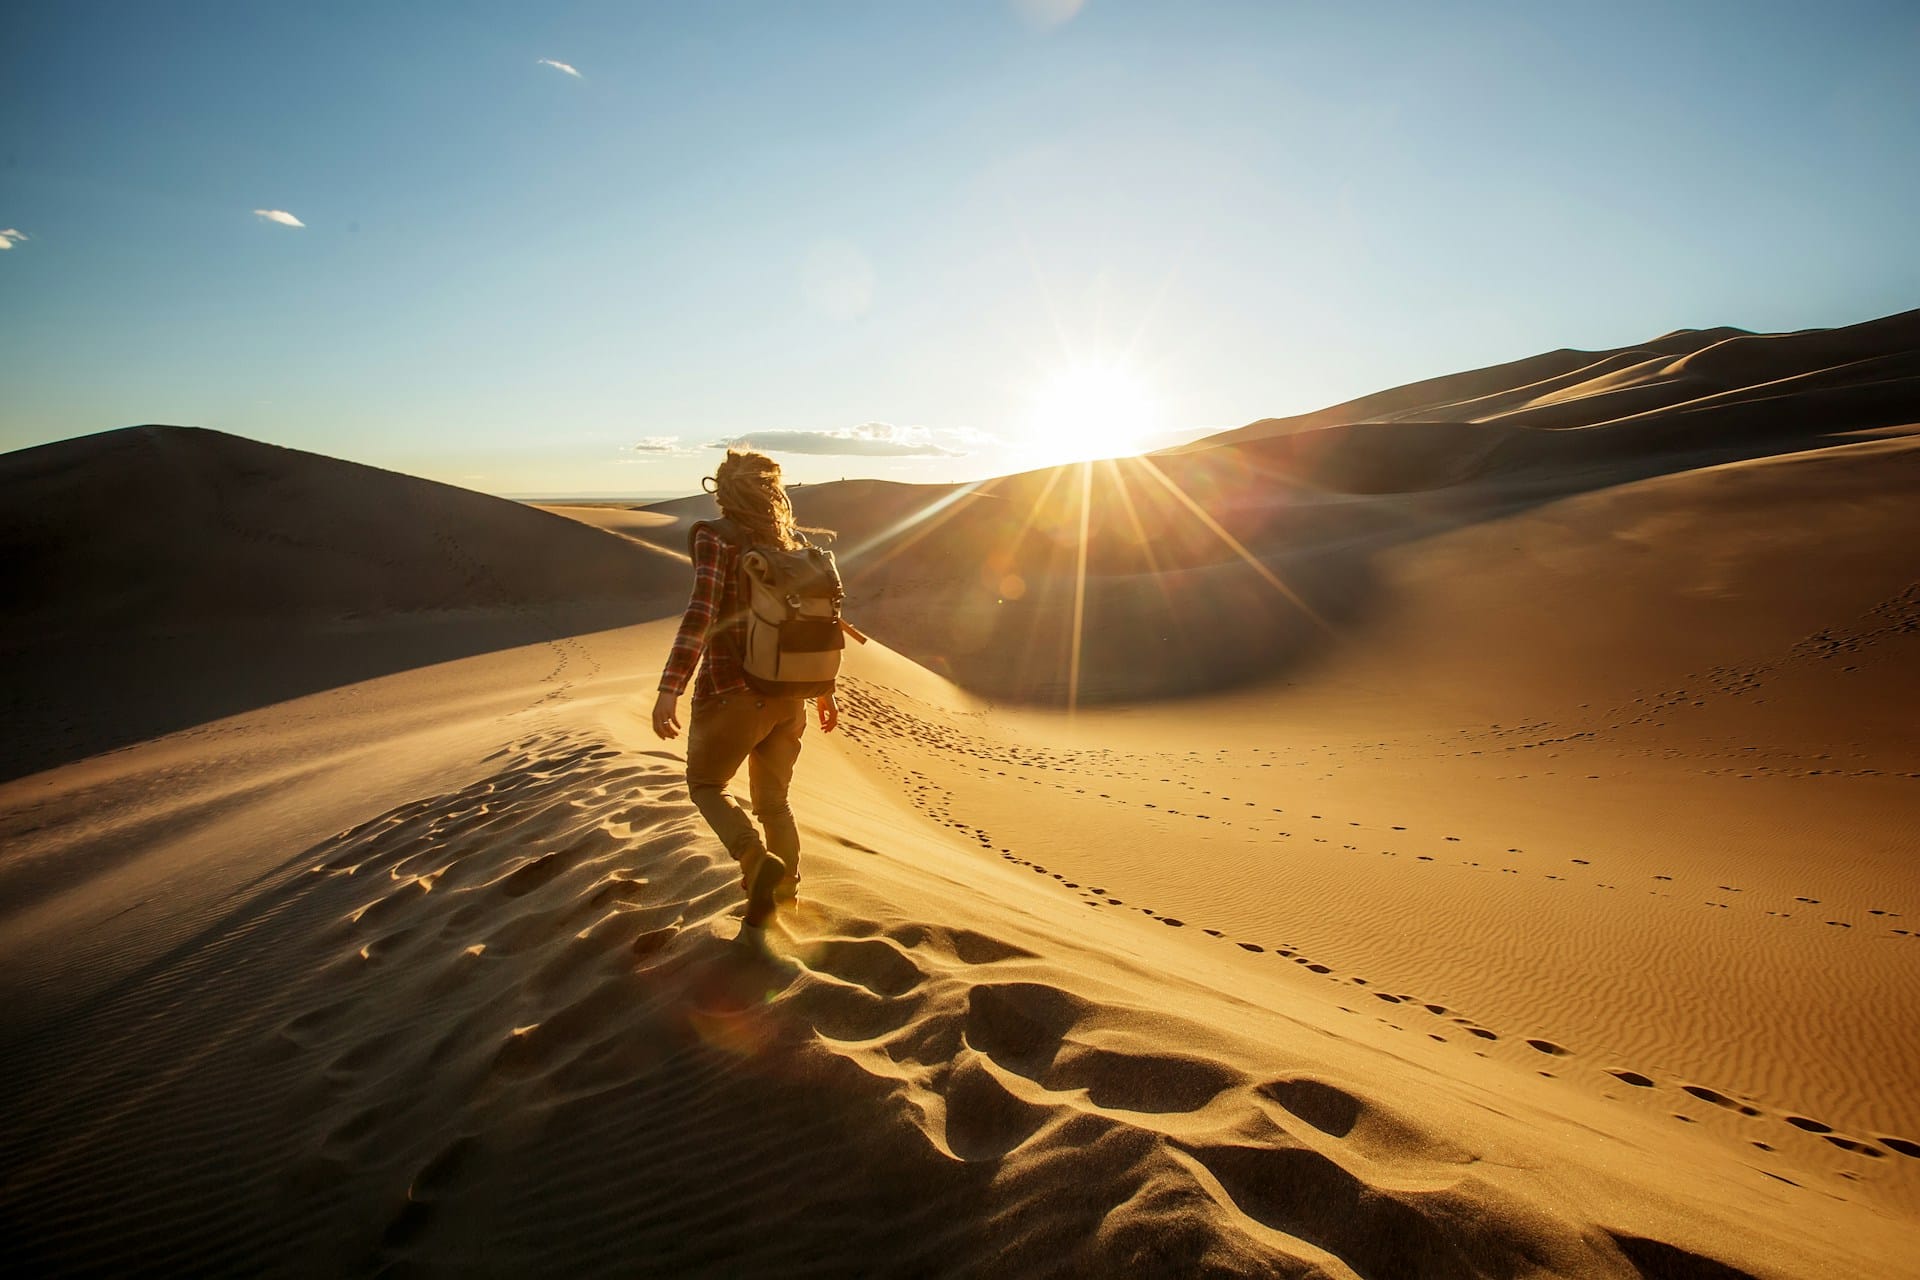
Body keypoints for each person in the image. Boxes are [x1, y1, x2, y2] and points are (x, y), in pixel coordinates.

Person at [652, 450, 839, 962]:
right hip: (789, 697)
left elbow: (701, 611)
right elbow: (811, 628)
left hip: (731, 692)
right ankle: (784, 903)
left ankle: (754, 861)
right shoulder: (790, 547)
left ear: (723, 491)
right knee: (775, 803)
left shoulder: (716, 537)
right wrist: (823, 691)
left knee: (707, 785)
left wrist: (671, 686)